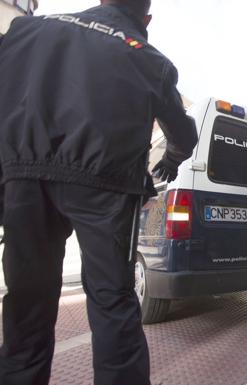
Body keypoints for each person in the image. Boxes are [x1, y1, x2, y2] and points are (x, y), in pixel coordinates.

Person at [0, 1, 198, 384]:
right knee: (111, 301)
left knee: (27, 299)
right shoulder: (148, 58)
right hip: (105, 186)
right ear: (147, 19)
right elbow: (184, 134)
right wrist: (172, 158)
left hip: (25, 178)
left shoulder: (28, 30)